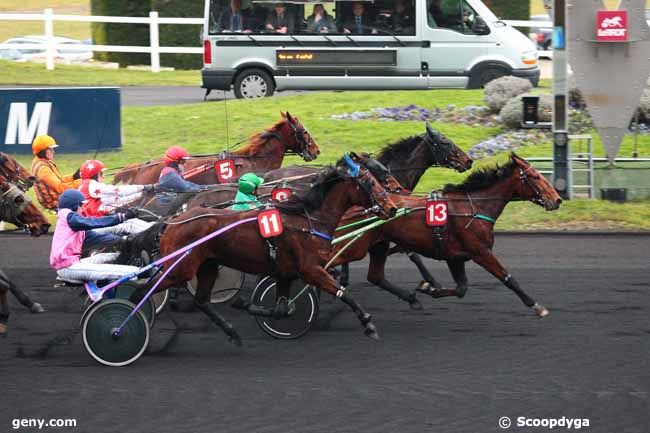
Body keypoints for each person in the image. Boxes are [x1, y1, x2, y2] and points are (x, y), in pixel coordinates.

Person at [51, 189, 140, 283]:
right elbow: (92, 222)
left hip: (72, 264)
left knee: (114, 256)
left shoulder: (71, 224)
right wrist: (121, 217)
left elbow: (98, 237)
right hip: (69, 267)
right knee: (134, 272)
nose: (82, 209)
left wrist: (123, 240)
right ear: (73, 206)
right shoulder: (68, 216)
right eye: (81, 205)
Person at [78, 160, 153, 222]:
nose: (103, 176)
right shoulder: (91, 185)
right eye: (101, 174)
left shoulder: (86, 186)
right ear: (94, 175)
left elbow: (115, 200)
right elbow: (120, 191)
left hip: (94, 220)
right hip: (95, 222)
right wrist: (143, 187)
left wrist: (141, 195)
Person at [30, 134, 81, 210]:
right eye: (51, 149)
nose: (53, 152)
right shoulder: (43, 169)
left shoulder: (41, 161)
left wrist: (74, 177)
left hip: (56, 199)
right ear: (44, 151)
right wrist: (82, 182)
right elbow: (60, 188)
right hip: (54, 204)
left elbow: (59, 180)